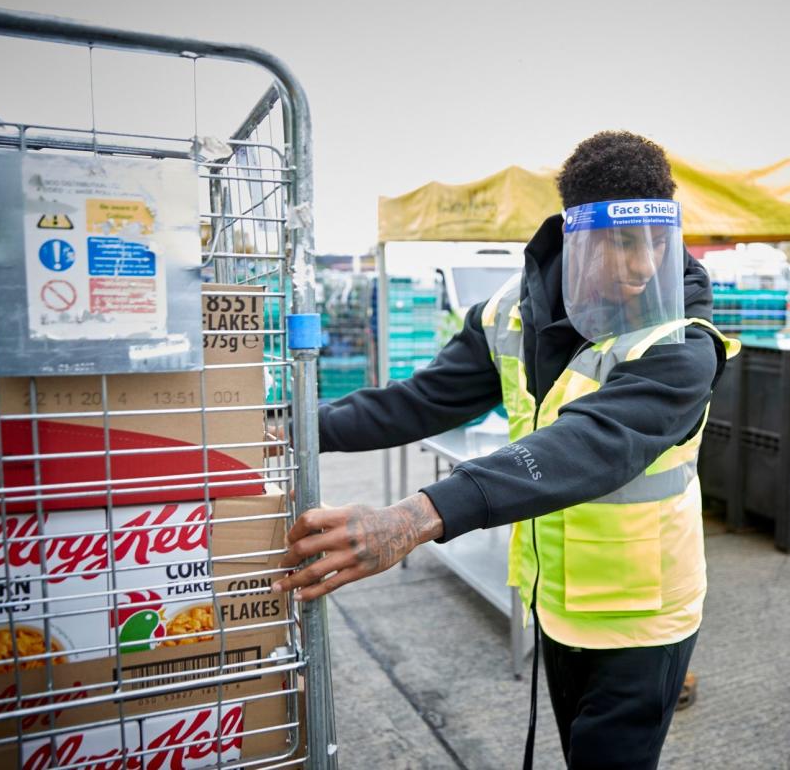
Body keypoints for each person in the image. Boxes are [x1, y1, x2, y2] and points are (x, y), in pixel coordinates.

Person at [271, 131, 738, 769]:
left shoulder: (684, 341)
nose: (643, 265)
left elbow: (593, 445)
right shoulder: (510, 314)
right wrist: (294, 427)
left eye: (657, 241)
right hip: (556, 601)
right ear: (576, 234)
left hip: (643, 619)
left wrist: (412, 518)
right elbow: (421, 400)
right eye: (623, 242)